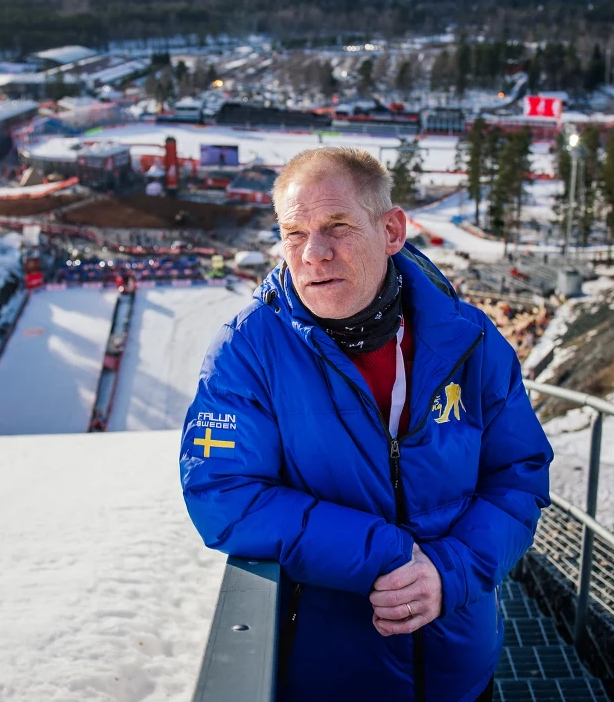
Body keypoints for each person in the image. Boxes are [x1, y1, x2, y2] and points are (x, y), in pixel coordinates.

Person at [180, 148, 553, 702]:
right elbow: (222, 492)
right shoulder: (249, 349)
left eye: (337, 227)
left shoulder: (470, 341)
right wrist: (386, 555)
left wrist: (447, 573)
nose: (314, 253)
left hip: (463, 668)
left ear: (393, 230)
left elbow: (518, 475)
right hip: (332, 677)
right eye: (294, 232)